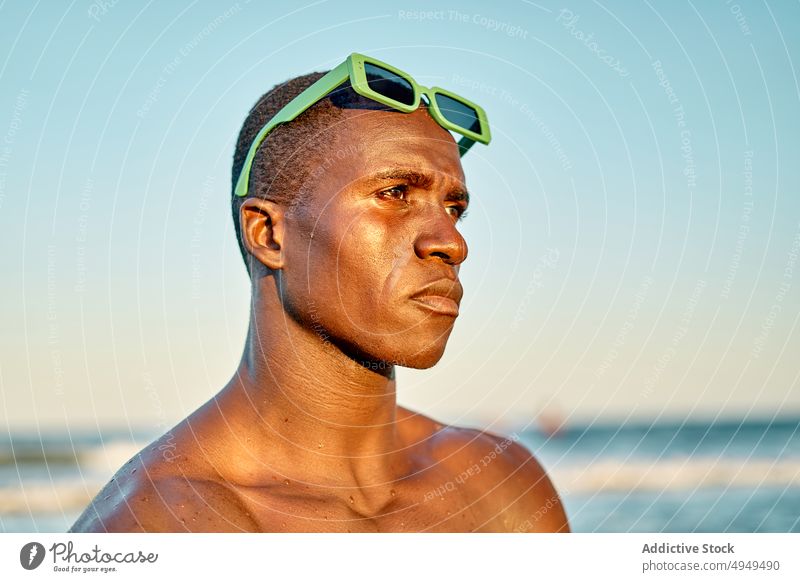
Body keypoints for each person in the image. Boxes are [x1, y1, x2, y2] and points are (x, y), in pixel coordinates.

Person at [70, 53, 570, 533]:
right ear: (269, 235)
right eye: (395, 194)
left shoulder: (501, 485)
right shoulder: (157, 528)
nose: (452, 242)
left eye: (453, 207)